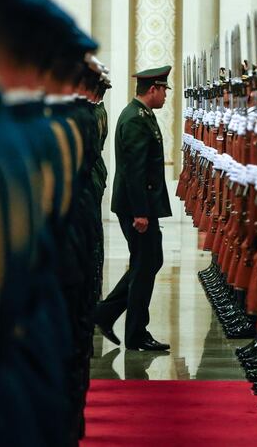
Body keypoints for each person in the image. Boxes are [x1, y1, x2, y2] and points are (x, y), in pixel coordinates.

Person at [94, 65, 173, 352]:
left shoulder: (142, 115)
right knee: (146, 264)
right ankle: (136, 333)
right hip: (136, 208)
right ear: (153, 89)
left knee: (149, 262)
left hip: (140, 206)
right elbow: (135, 170)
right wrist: (141, 212)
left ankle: (106, 313)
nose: (166, 96)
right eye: (164, 90)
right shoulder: (136, 119)